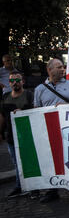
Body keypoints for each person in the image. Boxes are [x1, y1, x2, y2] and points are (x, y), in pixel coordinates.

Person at [34, 58, 69, 203]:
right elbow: (36, 111)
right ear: (49, 70)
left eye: (63, 67)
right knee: (52, 160)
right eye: (59, 67)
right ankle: (52, 190)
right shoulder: (39, 89)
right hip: (50, 131)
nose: (62, 69)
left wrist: (66, 107)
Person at [0, 70, 34, 198]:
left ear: (22, 81)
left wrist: (23, 111)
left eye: (17, 80)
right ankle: (19, 186)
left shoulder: (29, 95)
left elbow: (35, 111)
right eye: (12, 81)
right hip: (11, 137)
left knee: (29, 162)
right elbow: (2, 115)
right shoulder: (5, 97)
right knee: (16, 163)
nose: (15, 83)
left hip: (27, 136)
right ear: (9, 83)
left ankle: (32, 187)